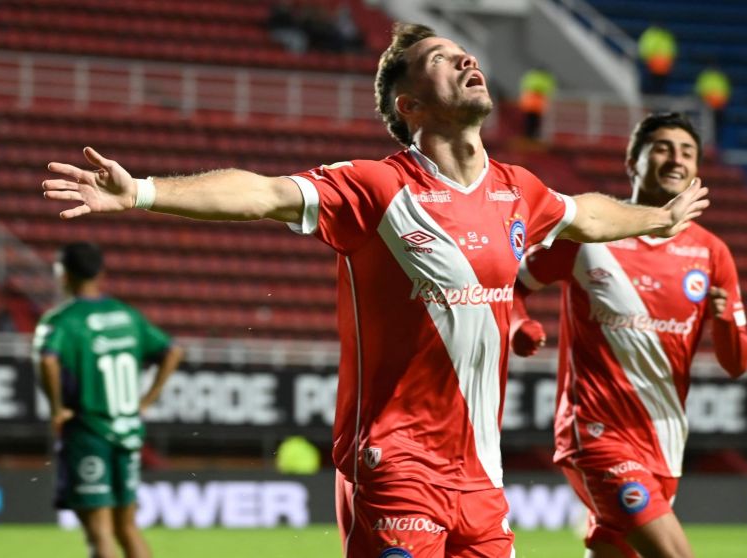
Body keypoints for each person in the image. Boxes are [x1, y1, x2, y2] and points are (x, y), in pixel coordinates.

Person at [41, 23, 708, 558]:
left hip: (481, 476)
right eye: (443, 59)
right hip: (395, 465)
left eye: (463, 52)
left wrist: (660, 218)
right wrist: (144, 193)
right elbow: (266, 194)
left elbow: (587, 213)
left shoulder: (517, 189)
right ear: (409, 105)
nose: (466, 59)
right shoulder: (377, 187)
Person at [510, 112, 747, 558]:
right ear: (632, 161)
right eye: (662, 147)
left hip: (664, 439)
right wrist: (519, 326)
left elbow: (737, 364)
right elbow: (514, 288)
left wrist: (724, 324)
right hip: (597, 434)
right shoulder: (587, 237)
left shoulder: (712, 252)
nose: (676, 158)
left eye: (687, 151)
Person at [33, 242, 183, 558]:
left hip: (89, 431)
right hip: (128, 431)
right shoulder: (125, 314)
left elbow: (48, 360)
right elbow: (172, 351)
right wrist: (146, 400)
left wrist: (57, 409)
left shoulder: (62, 320)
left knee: (99, 533)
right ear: (102, 272)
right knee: (126, 528)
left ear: (64, 275)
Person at [518, 66, 557, 140]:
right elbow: (548, 89)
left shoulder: (531, 77)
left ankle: (531, 136)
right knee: (533, 122)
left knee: (532, 122)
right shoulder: (545, 79)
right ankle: (531, 136)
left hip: (533, 105)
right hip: (535, 105)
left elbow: (526, 87)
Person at [637, 24, 677, 96]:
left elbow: (672, 50)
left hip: (663, 66)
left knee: (660, 85)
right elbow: (645, 48)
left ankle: (658, 99)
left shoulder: (666, 36)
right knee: (649, 83)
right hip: (651, 64)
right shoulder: (651, 35)